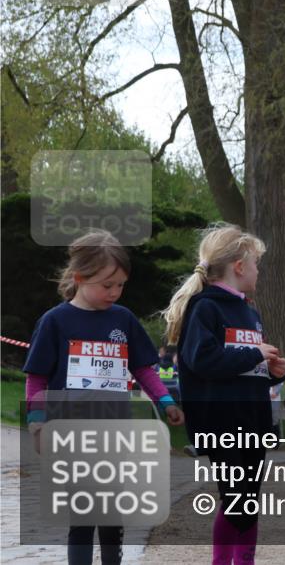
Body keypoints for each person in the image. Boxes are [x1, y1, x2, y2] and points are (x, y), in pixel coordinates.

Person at [23, 230, 184, 565]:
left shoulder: (123, 320)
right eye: (106, 285)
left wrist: (165, 402)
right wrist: (37, 421)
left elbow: (144, 369)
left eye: (121, 285)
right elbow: (37, 378)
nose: (115, 292)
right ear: (80, 278)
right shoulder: (55, 321)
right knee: (81, 518)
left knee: (112, 518)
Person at [163, 224, 285, 565]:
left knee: (248, 500)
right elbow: (201, 361)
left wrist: (276, 371)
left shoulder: (250, 311)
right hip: (221, 423)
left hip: (254, 420)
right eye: (257, 263)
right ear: (239, 266)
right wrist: (255, 354)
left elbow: (244, 373)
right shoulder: (206, 308)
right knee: (236, 499)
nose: (259, 271)